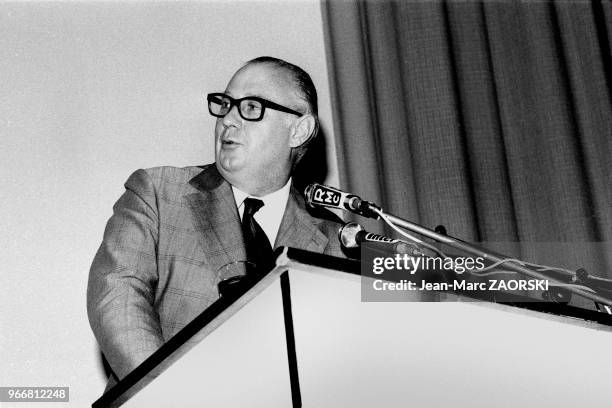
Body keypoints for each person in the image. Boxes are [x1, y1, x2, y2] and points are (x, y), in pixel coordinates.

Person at [87, 56, 347, 390]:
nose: (228, 121)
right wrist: (172, 395)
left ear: (299, 129)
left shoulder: (334, 239)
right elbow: (118, 296)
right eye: (225, 105)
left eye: (251, 107)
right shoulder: (158, 193)